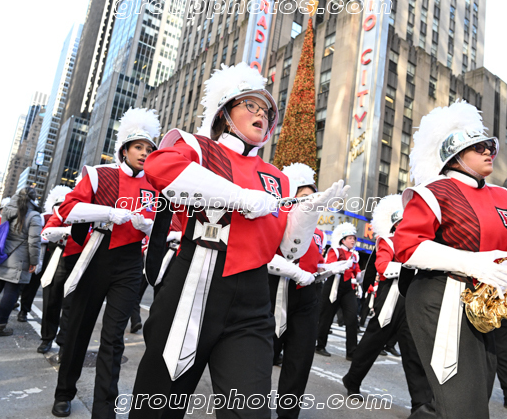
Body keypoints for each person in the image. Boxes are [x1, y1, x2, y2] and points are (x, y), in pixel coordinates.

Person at [129, 62, 348, 419]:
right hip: (196, 280)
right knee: (159, 405)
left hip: (253, 297)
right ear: (225, 112)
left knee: (250, 412)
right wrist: (240, 197)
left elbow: (284, 249)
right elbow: (161, 169)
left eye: (266, 111)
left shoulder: (276, 178)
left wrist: (307, 215)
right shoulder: (199, 147)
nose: (262, 114)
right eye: (251, 105)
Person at [392, 101, 507, 418]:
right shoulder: (434, 191)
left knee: (475, 394)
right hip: (441, 296)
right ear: (455, 155)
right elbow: (406, 246)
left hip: (488, 304)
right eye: (478, 147)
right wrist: (472, 263)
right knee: (464, 403)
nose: (489, 152)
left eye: (490, 146)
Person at [52, 108, 159, 418]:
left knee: (114, 338)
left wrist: (148, 226)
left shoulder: (154, 187)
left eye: (149, 148)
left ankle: (104, 409)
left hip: (130, 262)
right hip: (96, 254)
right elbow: (67, 210)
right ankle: (64, 392)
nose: (144, 153)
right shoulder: (100, 174)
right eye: (138, 147)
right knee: (78, 329)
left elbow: (164, 227)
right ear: (124, 149)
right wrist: (108, 213)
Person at [267, 163, 351, 419]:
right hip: (274, 292)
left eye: (313, 197)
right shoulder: (275, 219)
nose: (310, 202)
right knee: (262, 354)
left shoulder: (317, 232)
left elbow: (313, 262)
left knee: (300, 358)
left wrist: (326, 268)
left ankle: (288, 414)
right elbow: (263, 255)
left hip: (307, 295)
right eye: (304, 196)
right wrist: (294, 271)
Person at [343, 194, 435, 418]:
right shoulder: (388, 241)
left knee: (413, 350)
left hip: (411, 299)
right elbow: (383, 267)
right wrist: (410, 265)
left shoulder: (421, 243)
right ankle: (352, 380)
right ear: (396, 224)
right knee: (371, 343)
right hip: (390, 298)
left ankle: (420, 404)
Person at [0, 187, 42, 336]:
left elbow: (4, 231)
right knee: (11, 292)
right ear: (33, 199)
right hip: (19, 258)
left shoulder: (6, 210)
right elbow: (34, 241)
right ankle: (0, 327)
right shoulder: (34, 216)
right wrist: (34, 261)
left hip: (1, 253)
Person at [34, 185, 76, 355]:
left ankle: (64, 342)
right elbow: (46, 233)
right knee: (51, 300)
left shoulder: (90, 210)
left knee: (71, 304)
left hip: (80, 259)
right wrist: (66, 231)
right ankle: (47, 337)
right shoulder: (59, 211)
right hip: (58, 257)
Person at [315, 222, 361, 360]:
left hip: (348, 288)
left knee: (352, 318)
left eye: (354, 238)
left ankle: (352, 352)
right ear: (343, 240)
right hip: (333, 285)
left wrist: (360, 276)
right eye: (350, 238)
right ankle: (320, 345)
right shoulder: (334, 250)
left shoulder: (355, 255)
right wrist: (341, 266)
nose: (353, 240)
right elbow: (328, 266)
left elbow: (357, 272)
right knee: (326, 317)